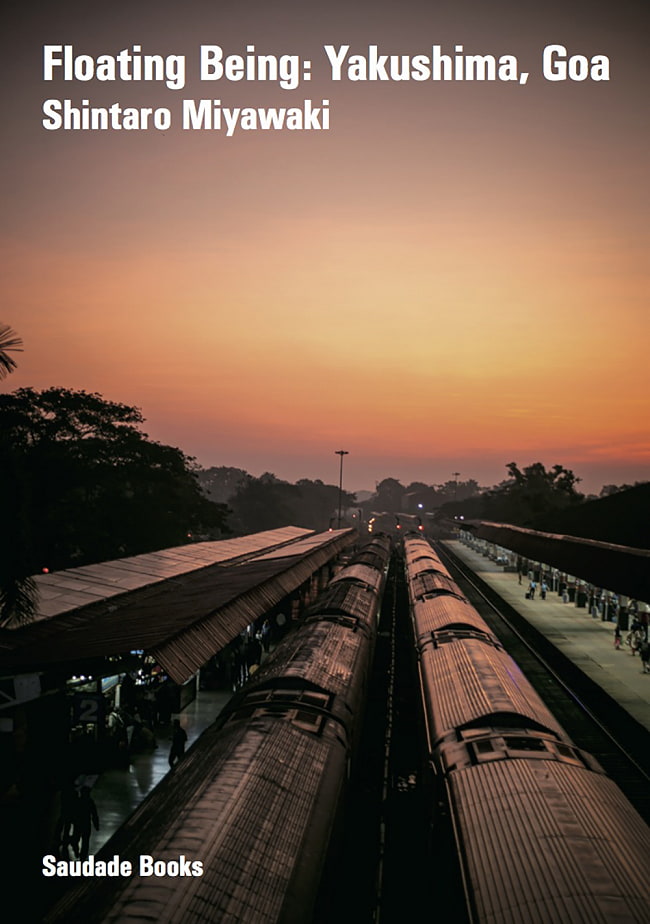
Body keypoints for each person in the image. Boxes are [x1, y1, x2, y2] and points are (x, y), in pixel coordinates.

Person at [71, 787, 99, 861]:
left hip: (78, 823)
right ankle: (83, 856)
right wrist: (96, 825)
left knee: (76, 837)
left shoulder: (77, 801)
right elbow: (94, 814)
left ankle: (76, 849)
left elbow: (73, 812)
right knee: (85, 841)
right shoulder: (90, 802)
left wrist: (73, 821)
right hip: (86, 823)